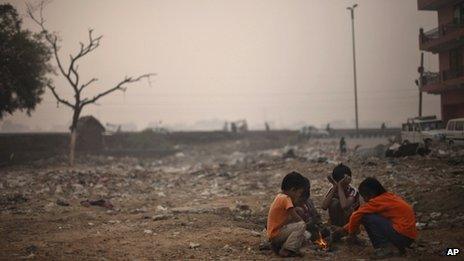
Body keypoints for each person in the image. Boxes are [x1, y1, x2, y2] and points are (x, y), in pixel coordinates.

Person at [342, 177, 417, 259]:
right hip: (408, 237)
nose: (365, 200)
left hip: (402, 236)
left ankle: (384, 247)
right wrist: (344, 229)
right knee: (367, 215)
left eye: (365, 196)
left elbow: (356, 215)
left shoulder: (377, 202)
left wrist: (351, 234)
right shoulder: (388, 197)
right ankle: (394, 247)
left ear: (371, 194)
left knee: (365, 216)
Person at [267, 171, 308, 257]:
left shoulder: (280, 196)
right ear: (293, 190)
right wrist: (305, 226)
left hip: (274, 233)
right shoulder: (286, 199)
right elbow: (296, 218)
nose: (299, 195)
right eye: (299, 193)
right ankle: (287, 249)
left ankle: (280, 247)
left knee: (303, 235)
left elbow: (289, 214)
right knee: (301, 226)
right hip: (276, 234)